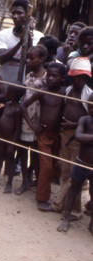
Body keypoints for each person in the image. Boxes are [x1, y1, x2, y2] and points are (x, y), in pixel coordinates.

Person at [20, 62, 66, 211]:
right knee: (46, 166)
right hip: (44, 134)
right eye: (49, 75)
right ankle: (42, 198)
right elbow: (23, 106)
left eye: (55, 76)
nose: (50, 79)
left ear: (62, 78)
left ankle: (45, 191)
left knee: (53, 167)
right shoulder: (42, 92)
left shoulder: (64, 93)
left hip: (58, 136)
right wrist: (33, 126)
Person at [52, 57, 92, 215]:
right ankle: (65, 203)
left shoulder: (89, 95)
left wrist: (73, 125)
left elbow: (89, 119)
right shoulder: (68, 91)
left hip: (78, 139)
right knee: (65, 170)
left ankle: (70, 208)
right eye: (75, 77)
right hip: (64, 136)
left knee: (75, 175)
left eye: (81, 77)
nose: (78, 80)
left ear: (86, 78)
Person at [57, 92, 93, 234]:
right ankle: (66, 217)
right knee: (73, 189)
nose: (92, 110)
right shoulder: (85, 119)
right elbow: (78, 136)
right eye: (89, 107)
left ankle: (91, 222)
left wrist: (87, 138)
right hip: (81, 161)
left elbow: (83, 137)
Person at [14, 45, 48, 195]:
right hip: (25, 117)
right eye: (27, 57)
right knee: (22, 149)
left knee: (35, 152)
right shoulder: (29, 75)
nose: (28, 60)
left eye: (31, 58)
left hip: (38, 119)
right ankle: (24, 181)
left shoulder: (47, 76)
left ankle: (35, 179)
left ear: (42, 59)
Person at [0, 0, 44, 85]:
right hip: (4, 83)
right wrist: (20, 43)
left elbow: (32, 59)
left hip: (26, 84)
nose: (15, 16)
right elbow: (1, 59)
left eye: (19, 13)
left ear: (28, 16)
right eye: (13, 13)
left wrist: (28, 36)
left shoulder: (38, 36)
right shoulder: (4, 34)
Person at [0, 85, 24, 192]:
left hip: (11, 138)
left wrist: (13, 144)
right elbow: (2, 121)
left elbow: (17, 128)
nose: (6, 93)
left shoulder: (17, 109)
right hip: (2, 136)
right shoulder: (7, 105)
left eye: (8, 92)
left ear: (13, 95)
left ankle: (9, 183)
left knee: (10, 161)